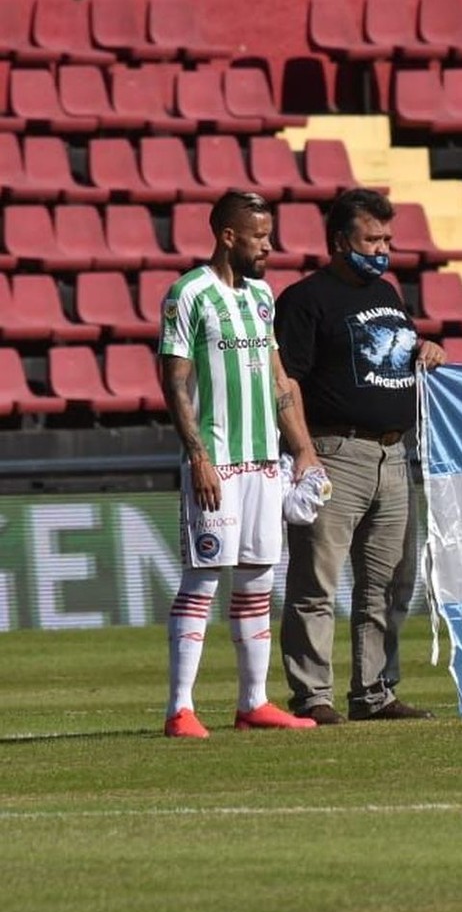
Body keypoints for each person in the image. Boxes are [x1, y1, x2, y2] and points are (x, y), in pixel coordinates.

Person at [276, 188, 446, 724]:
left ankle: (374, 692)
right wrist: (302, 451)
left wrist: (425, 349)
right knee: (316, 584)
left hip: (394, 456)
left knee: (390, 583)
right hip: (335, 452)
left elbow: (396, 355)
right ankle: (313, 695)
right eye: (371, 238)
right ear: (338, 241)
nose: (382, 248)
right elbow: (287, 381)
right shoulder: (305, 301)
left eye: (387, 238)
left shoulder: (390, 294)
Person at [158, 190, 322, 738]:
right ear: (229, 236)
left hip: (263, 464)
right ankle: (180, 708)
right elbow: (175, 381)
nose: (268, 247)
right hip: (218, 463)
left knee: (256, 579)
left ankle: (253, 701)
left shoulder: (260, 297)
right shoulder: (188, 295)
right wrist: (197, 456)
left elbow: (278, 381)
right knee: (202, 579)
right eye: (259, 237)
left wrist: (302, 447)